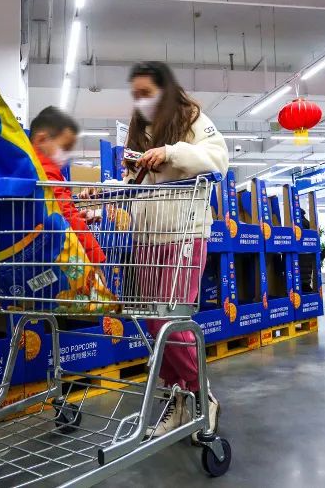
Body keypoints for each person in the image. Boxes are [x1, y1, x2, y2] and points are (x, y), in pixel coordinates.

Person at [122, 61, 228, 440]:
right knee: (155, 324)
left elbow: (218, 160)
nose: (141, 100)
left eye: (147, 93)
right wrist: (106, 193)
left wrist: (171, 152)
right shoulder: (139, 131)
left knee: (170, 321)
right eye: (136, 94)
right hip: (147, 239)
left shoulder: (191, 119)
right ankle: (178, 397)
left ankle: (202, 395)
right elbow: (133, 183)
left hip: (184, 233)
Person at [29, 106, 106, 264]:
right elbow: (66, 213)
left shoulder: (32, 167)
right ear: (41, 140)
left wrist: (76, 220)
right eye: (64, 147)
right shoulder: (45, 172)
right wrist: (95, 258)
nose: (66, 155)